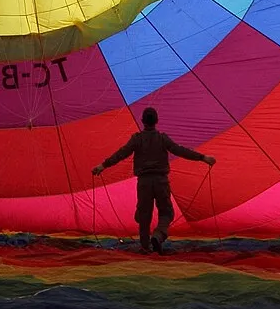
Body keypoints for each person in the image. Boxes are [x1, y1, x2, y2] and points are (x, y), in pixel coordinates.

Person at [91, 107, 215, 253]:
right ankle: (158, 235)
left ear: (143, 121)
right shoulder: (162, 138)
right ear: (156, 121)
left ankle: (144, 246)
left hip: (144, 182)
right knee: (166, 213)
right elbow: (180, 150)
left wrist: (103, 165)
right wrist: (202, 157)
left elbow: (121, 154)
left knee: (144, 216)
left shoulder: (137, 139)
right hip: (161, 181)